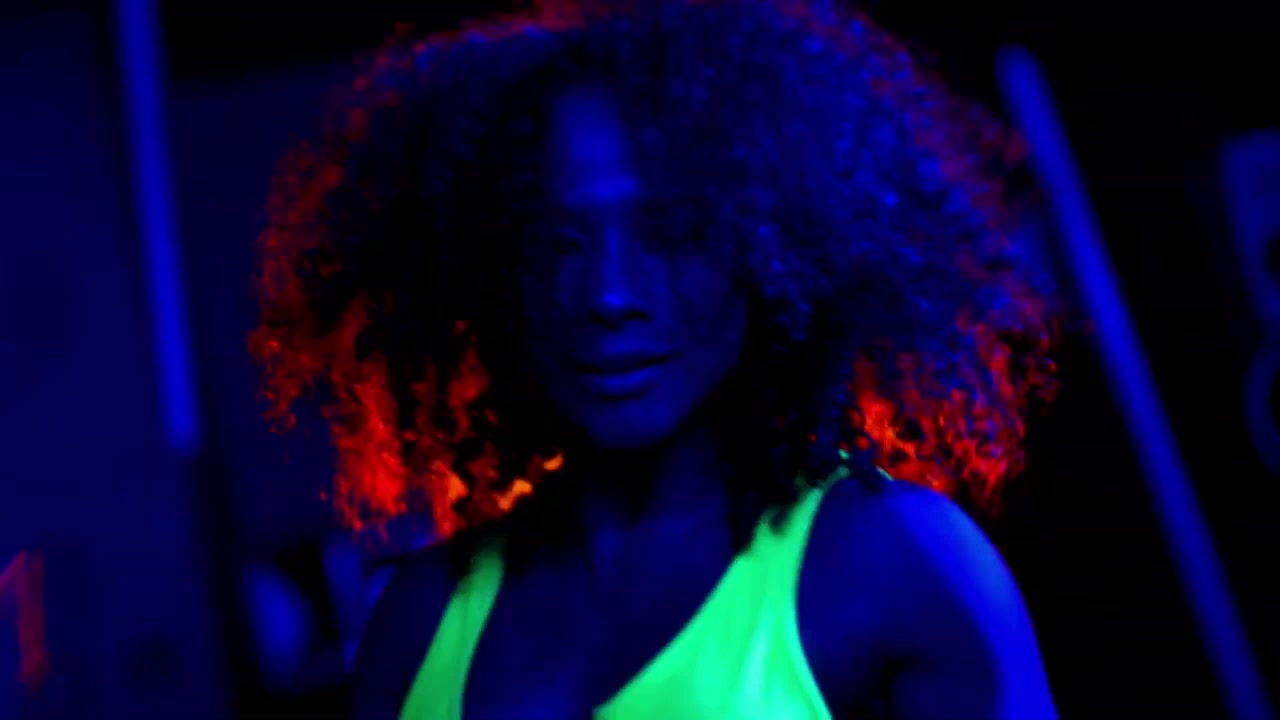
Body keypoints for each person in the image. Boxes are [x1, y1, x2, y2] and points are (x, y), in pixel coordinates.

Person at [250, 1, 1064, 717]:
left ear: (772, 252)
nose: (610, 294)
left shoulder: (891, 565)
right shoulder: (420, 622)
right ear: (493, 273)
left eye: (671, 233)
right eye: (556, 242)